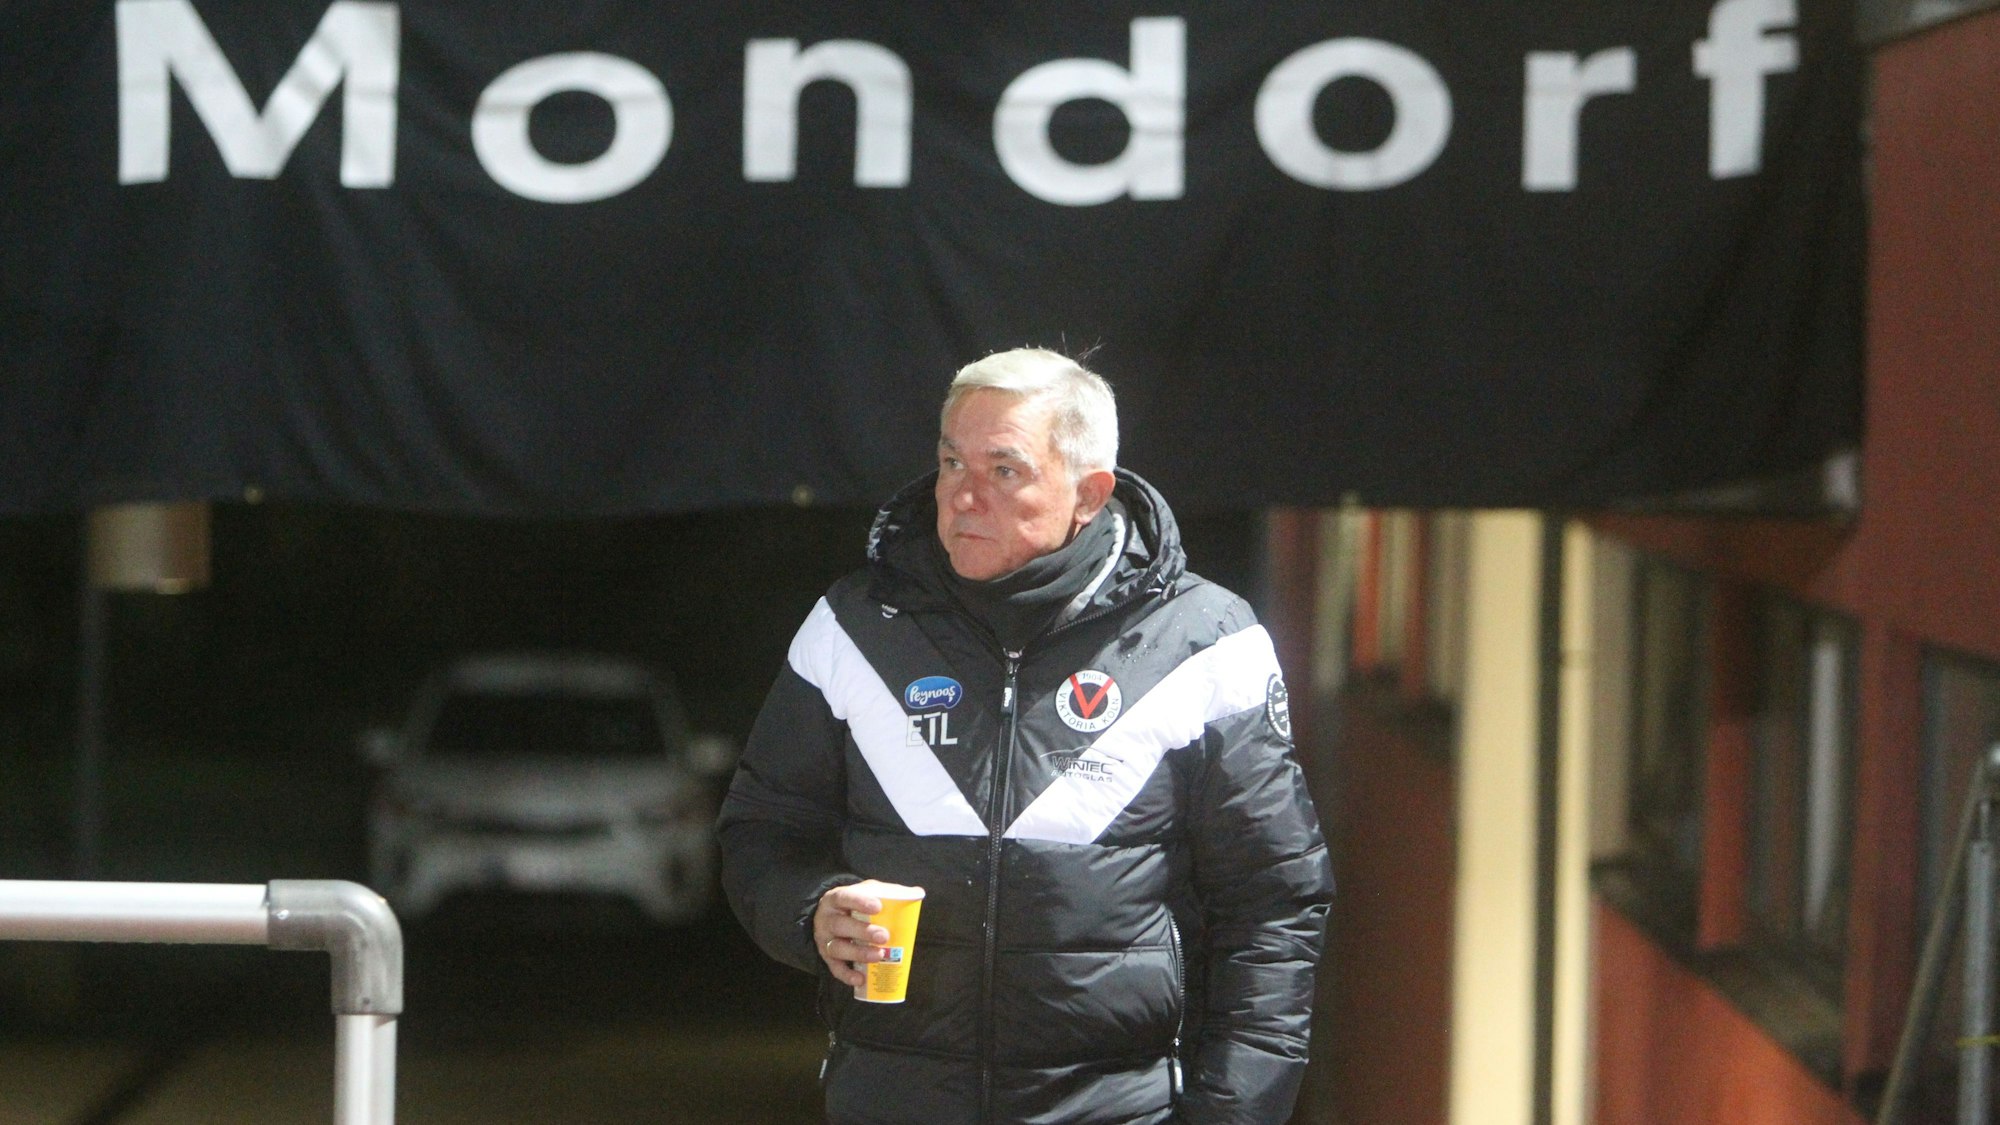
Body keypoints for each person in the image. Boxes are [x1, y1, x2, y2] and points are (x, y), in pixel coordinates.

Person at [716, 347, 1334, 1124]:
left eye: (1004, 470)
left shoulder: (1205, 640)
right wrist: (812, 909)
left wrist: (1231, 1115)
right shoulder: (853, 625)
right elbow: (760, 831)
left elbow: (1274, 905)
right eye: (949, 462)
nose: (962, 497)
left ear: (1089, 492)